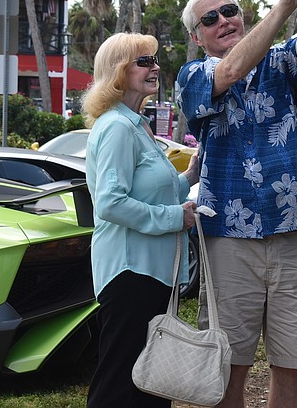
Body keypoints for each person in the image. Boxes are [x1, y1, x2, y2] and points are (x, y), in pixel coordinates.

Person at [177, 0, 297, 408]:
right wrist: (284, 7)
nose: (224, 20)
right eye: (211, 18)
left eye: (229, 10)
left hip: (292, 229)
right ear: (197, 37)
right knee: (230, 361)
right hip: (229, 236)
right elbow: (229, 73)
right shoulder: (193, 77)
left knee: (291, 359)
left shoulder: (280, 60)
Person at [84, 33, 200, 408]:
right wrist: (174, 218)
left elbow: (151, 191)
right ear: (119, 72)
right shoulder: (117, 127)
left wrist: (188, 180)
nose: (155, 68)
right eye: (143, 62)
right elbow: (111, 203)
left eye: (154, 60)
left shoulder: (136, 125)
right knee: (121, 382)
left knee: (150, 382)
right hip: (130, 272)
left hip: (150, 272)